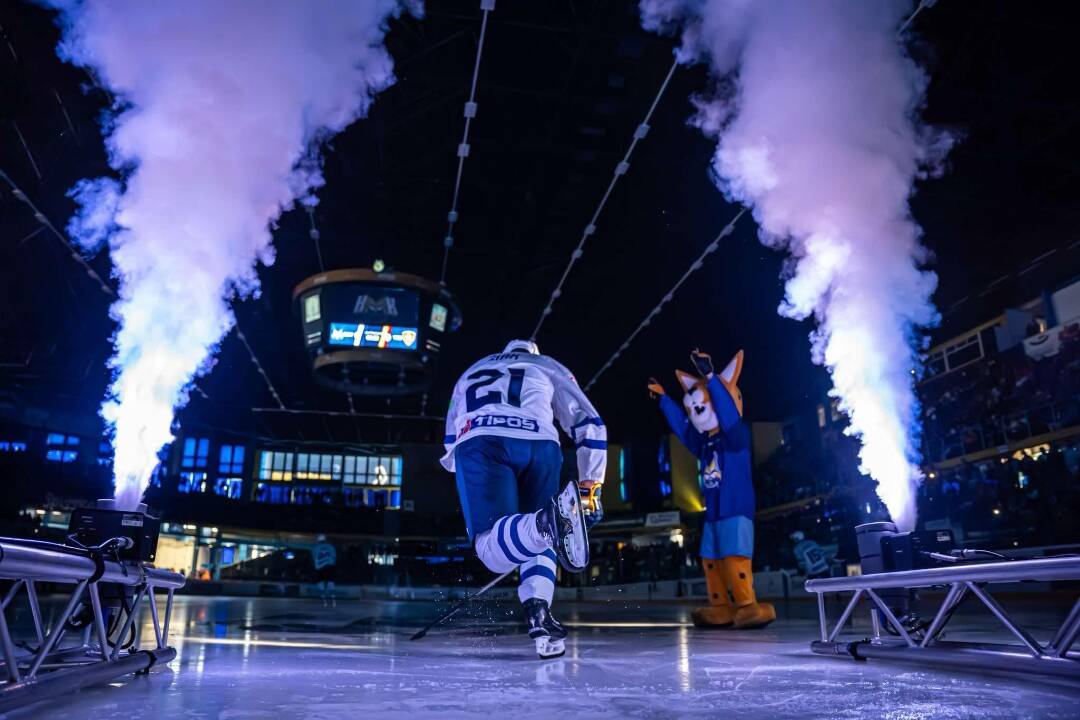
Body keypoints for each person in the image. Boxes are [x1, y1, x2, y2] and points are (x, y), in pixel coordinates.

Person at [442, 339, 606, 659]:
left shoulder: (470, 370)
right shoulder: (547, 364)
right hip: (540, 443)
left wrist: (472, 485)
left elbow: (450, 443)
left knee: (491, 548)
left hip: (482, 442)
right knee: (539, 537)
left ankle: (546, 522)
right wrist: (590, 487)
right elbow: (589, 423)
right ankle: (538, 610)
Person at [648, 348, 776, 629]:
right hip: (713, 512)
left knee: (734, 558)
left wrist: (711, 377)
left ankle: (747, 604)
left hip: (735, 509)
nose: (696, 412)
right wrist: (665, 401)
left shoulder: (735, 436)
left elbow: (728, 414)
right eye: (693, 408)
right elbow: (683, 430)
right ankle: (720, 606)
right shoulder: (706, 444)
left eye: (701, 406)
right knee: (711, 561)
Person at [312, 533, 338, 605]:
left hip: (320, 568)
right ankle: (333, 601)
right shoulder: (331, 546)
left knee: (321, 584)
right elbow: (334, 557)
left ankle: (324, 602)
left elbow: (314, 558)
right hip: (330, 567)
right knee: (331, 583)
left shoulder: (316, 547)